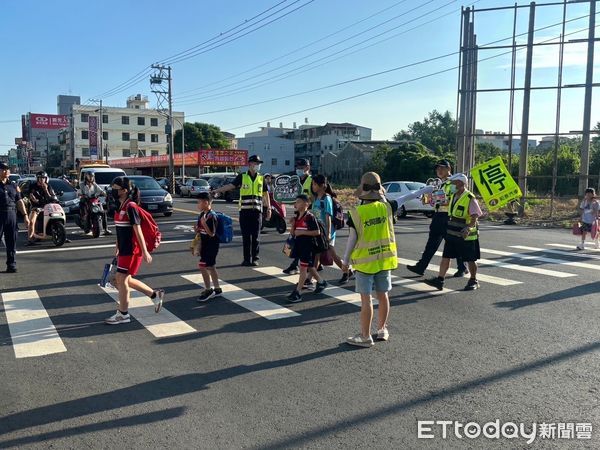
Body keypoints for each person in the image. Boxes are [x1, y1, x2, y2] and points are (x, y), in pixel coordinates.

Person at [342, 172, 397, 348]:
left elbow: (352, 239)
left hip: (365, 263)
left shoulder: (357, 213)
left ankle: (365, 336)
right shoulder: (387, 207)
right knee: (383, 296)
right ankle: (382, 330)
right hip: (384, 260)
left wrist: (345, 261)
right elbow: (405, 197)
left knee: (366, 300)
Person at [105, 176, 164, 325]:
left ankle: (123, 314)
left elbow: (137, 230)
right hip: (124, 249)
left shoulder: (130, 207)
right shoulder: (120, 206)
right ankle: (154, 295)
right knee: (126, 279)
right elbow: (120, 230)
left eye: (116, 188)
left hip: (132, 250)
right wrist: (117, 246)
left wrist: (145, 251)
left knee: (122, 279)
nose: (113, 190)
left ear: (124, 190)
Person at [407, 160, 468, 278]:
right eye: (437, 168)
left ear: (449, 169)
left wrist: (434, 198)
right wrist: (427, 199)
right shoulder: (438, 183)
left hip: (450, 217)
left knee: (454, 243)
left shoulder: (454, 182)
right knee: (431, 244)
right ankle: (421, 266)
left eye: (442, 168)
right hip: (438, 216)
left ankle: (462, 267)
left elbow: (450, 197)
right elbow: (436, 201)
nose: (439, 170)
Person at [424, 173, 482, 291]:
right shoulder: (454, 196)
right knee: (446, 257)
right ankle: (440, 280)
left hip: (466, 236)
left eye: (453, 183)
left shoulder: (470, 197)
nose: (451, 185)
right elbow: (444, 203)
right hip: (452, 233)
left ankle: (473, 280)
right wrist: (429, 199)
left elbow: (475, 215)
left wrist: (468, 228)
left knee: (470, 259)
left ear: (460, 183)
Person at [212, 155, 271, 266]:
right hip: (244, 211)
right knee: (246, 236)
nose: (257, 166)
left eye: (259, 164)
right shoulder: (242, 176)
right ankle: (246, 259)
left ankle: (255, 258)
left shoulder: (261, 178)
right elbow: (231, 185)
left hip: (257, 212)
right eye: (255, 163)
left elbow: (265, 194)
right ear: (250, 164)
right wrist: (217, 190)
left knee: (256, 236)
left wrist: (268, 208)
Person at [311, 174, 351, 284]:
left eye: (314, 184)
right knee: (316, 255)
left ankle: (346, 272)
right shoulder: (316, 198)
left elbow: (328, 216)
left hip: (327, 231)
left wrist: (328, 233)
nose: (312, 186)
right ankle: (309, 279)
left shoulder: (326, 198)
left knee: (332, 254)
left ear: (321, 185)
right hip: (319, 231)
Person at [287, 194, 328, 302]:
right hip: (299, 245)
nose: (296, 204)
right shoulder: (297, 217)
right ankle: (321, 282)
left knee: (303, 268)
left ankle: (298, 292)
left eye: (299, 202)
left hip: (307, 246)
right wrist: (292, 225)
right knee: (309, 266)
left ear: (306, 204)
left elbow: (317, 232)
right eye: (296, 202)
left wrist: (302, 232)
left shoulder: (310, 217)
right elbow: (293, 233)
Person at [283, 158, 314, 275]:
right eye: (298, 168)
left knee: (302, 241)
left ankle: (298, 265)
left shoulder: (311, 181)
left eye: (301, 168)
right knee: (296, 239)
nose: (299, 170)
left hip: (308, 215)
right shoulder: (296, 181)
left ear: (308, 168)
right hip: (299, 213)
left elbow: (314, 198)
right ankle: (297, 264)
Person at [0, 162, 30, 273]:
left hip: (12, 214)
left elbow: (19, 201)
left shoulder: (13, 185)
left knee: (12, 241)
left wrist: (25, 216)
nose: (5, 171)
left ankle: (11, 264)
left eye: (7, 169)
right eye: (3, 169)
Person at [195, 192, 223, 302]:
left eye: (199, 202)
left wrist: (204, 224)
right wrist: (197, 229)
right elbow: (201, 230)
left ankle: (208, 289)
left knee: (203, 265)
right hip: (204, 244)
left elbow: (212, 233)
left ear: (206, 203)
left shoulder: (212, 216)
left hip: (212, 245)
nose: (198, 205)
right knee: (211, 266)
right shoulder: (202, 215)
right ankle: (217, 288)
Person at [27, 171, 56, 242]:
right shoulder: (33, 186)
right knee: (32, 221)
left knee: (57, 215)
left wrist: (46, 190)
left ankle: (62, 234)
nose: (42, 179)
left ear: (46, 179)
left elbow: (52, 197)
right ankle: (30, 239)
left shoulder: (48, 186)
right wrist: (33, 199)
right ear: (37, 179)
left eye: (43, 178)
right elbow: (30, 195)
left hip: (48, 206)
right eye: (40, 178)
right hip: (36, 207)